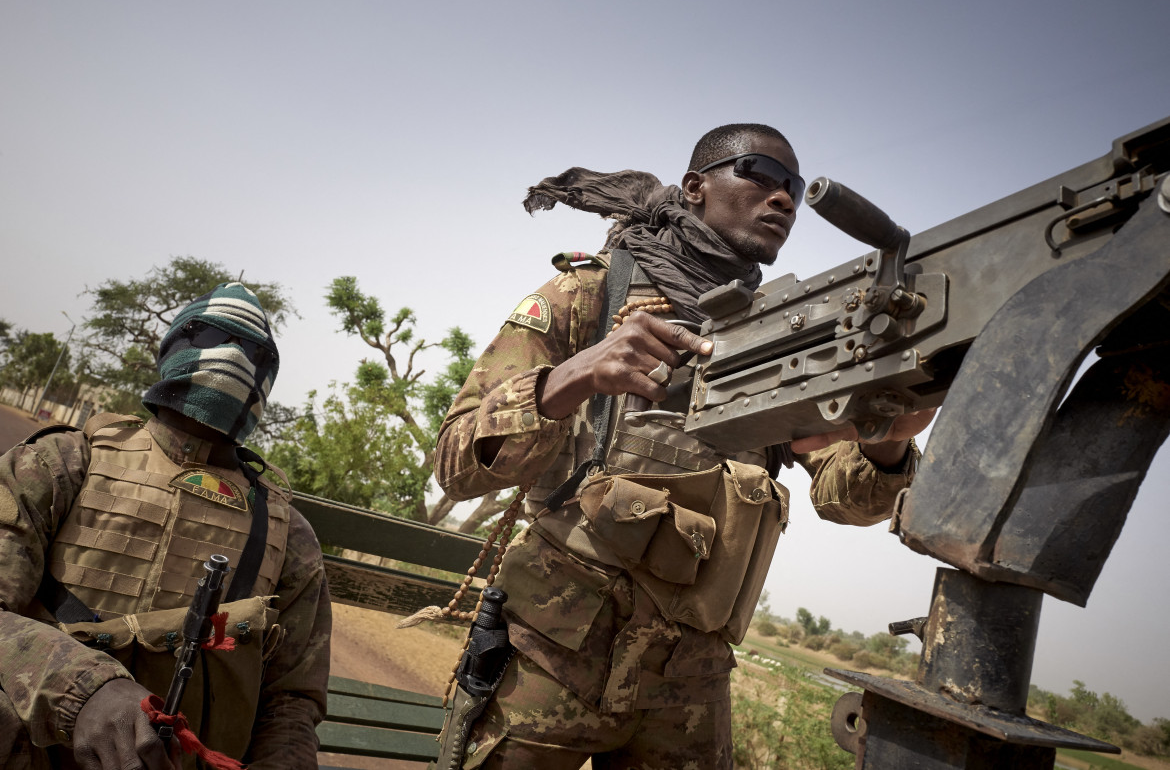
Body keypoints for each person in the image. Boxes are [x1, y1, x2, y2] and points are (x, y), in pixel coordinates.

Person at [432, 123, 933, 769]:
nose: (782, 198)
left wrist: (888, 446)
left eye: (794, 187)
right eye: (760, 173)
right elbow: (455, 460)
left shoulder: (784, 337)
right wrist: (574, 376)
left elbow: (842, 493)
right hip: (550, 659)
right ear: (695, 187)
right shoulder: (593, 288)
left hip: (691, 687)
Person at [0, 282, 331, 770]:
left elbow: (291, 701)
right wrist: (86, 693)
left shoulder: (290, 535)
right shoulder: (62, 464)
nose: (233, 359)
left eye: (249, 353)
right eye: (214, 339)